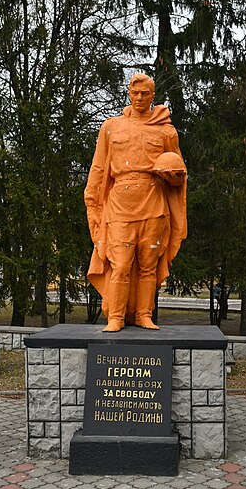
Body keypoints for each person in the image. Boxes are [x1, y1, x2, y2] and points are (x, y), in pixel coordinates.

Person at [84, 73, 187, 332]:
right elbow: (99, 168)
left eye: (145, 94)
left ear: (153, 96)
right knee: (119, 264)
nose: (140, 98)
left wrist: (173, 176)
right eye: (135, 93)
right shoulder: (111, 127)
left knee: (147, 265)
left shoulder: (166, 130)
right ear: (129, 94)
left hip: (154, 204)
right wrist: (92, 200)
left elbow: (179, 173)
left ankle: (144, 314)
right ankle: (116, 316)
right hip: (120, 205)